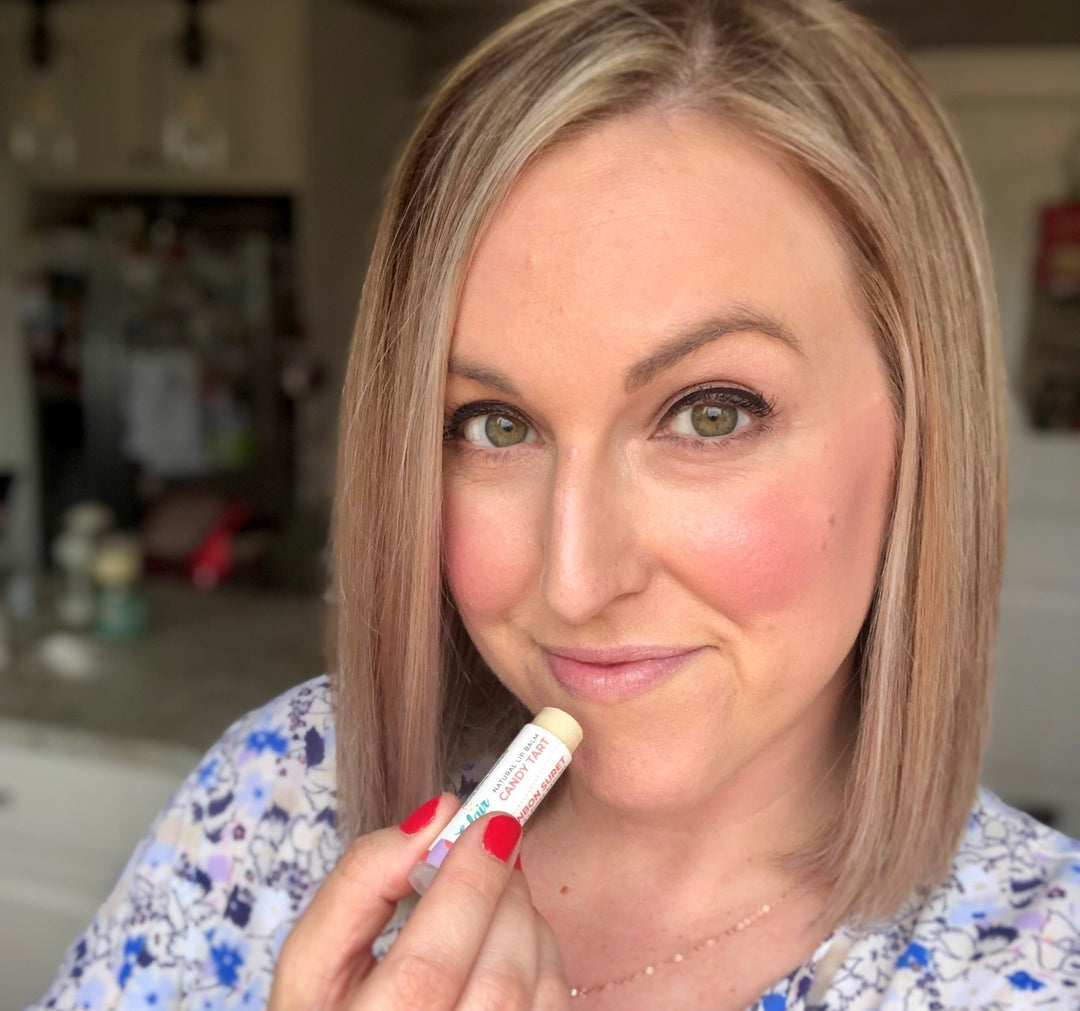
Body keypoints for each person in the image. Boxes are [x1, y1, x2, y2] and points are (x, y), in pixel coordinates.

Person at [29, 0, 1080, 1008]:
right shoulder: (281, 794)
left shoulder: (1039, 960)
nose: (574, 581)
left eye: (711, 414)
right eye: (495, 424)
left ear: (921, 431)